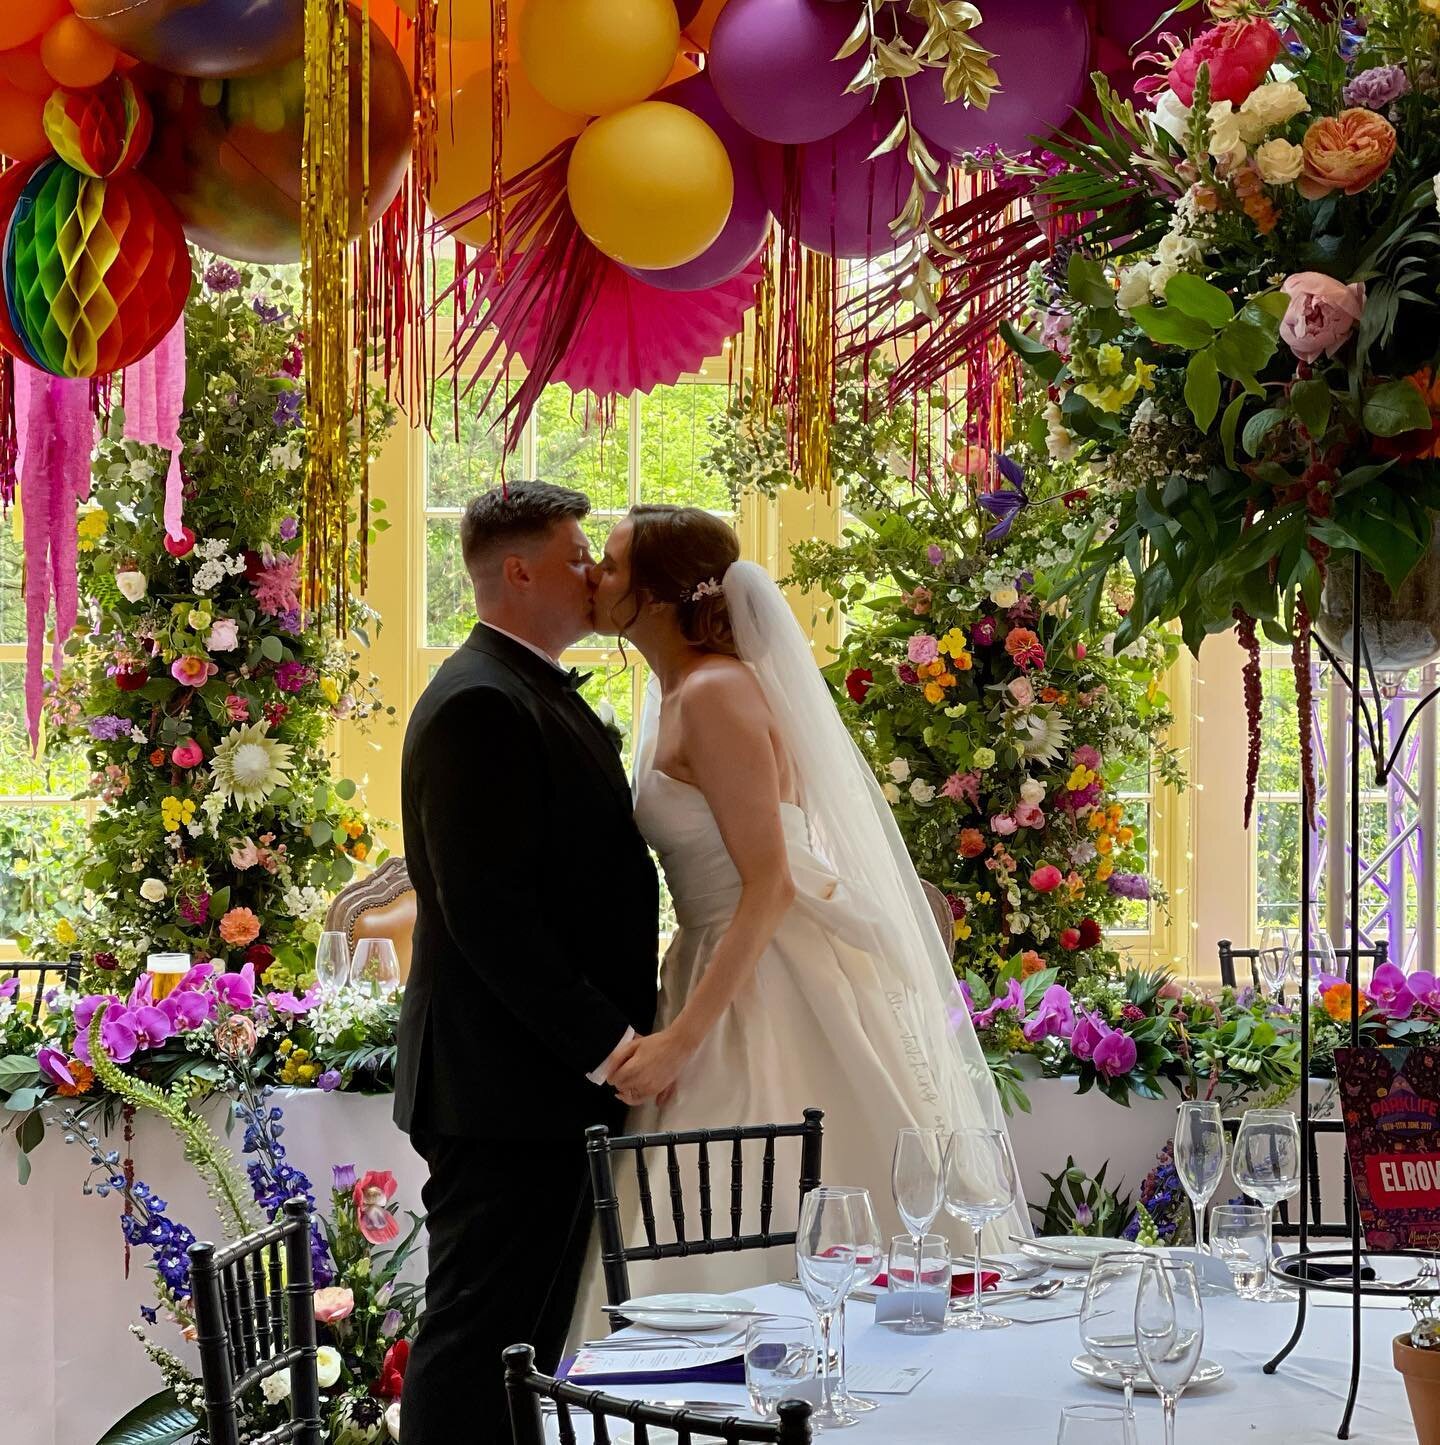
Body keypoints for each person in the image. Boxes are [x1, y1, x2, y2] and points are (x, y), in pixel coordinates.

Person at [584, 504, 1026, 1302]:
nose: (595, 577)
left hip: (763, 965)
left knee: (756, 1175)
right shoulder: (672, 691)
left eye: (611, 565)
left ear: (656, 594)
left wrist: (683, 1040)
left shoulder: (715, 691)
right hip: (709, 951)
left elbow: (771, 880)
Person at [394, 482, 659, 1443]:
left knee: (526, 1346)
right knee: (478, 1339)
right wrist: (611, 1044)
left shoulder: (523, 687)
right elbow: (488, 915)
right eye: (576, 554)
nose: (592, 571)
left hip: (536, 1088)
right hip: (503, 1091)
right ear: (518, 570)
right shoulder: (478, 703)